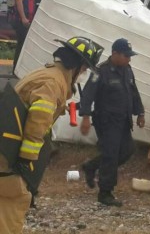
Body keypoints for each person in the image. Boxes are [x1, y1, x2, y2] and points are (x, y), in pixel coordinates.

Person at [0, 36, 102, 233]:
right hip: (8, 155)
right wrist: (27, 160)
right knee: (16, 197)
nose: (83, 74)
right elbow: (38, 120)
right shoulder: (53, 83)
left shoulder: (48, 74)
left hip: (5, 147)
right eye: (84, 69)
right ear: (77, 65)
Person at [79, 38, 145, 207]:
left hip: (123, 120)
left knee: (128, 150)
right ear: (115, 54)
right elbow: (88, 94)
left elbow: (133, 91)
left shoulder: (127, 69)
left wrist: (140, 112)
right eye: (126, 56)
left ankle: (92, 166)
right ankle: (105, 193)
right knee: (111, 154)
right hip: (107, 121)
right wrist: (85, 117)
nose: (129, 59)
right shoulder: (100, 71)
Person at [11, 0, 40, 72]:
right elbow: (19, 1)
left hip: (26, 21)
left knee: (23, 44)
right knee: (22, 44)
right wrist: (23, 18)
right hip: (21, 21)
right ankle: (16, 68)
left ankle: (18, 68)